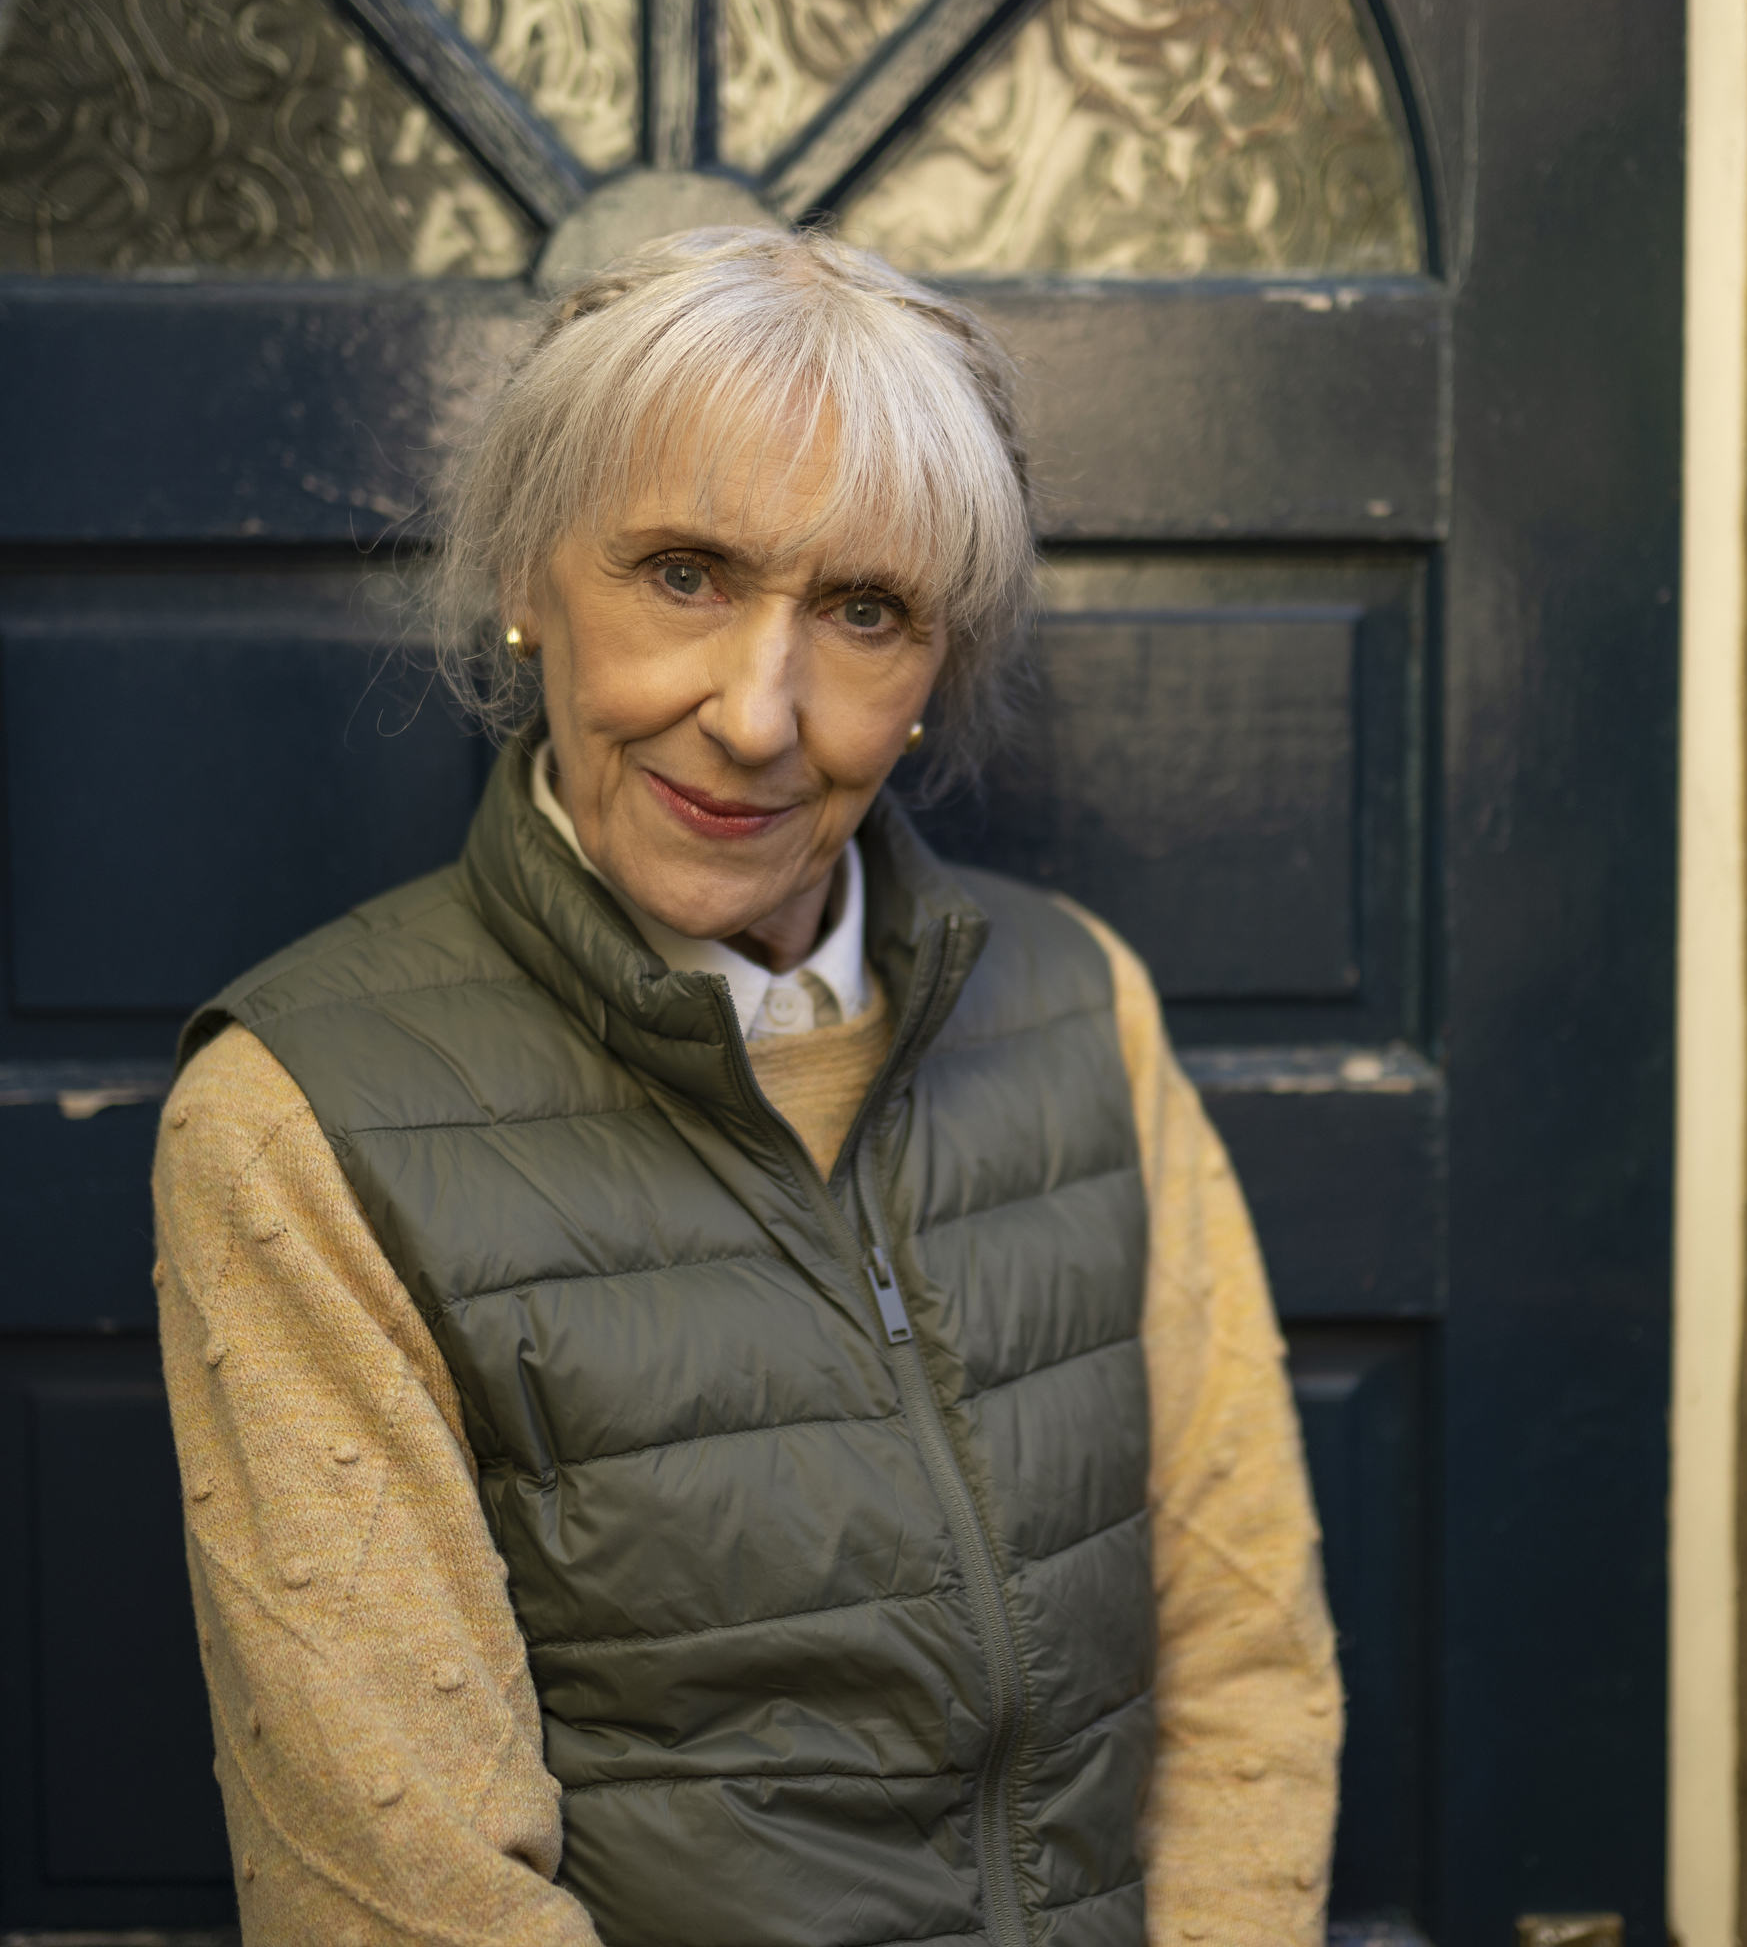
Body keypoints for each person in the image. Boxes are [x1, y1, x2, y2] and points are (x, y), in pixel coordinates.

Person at [150, 227, 1338, 1947]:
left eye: (865, 612)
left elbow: (1246, 1662)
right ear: (527, 580)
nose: (760, 715)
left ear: (937, 673)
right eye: (684, 574)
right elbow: (401, 1896)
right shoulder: (295, 1120)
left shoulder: (1084, 1006)